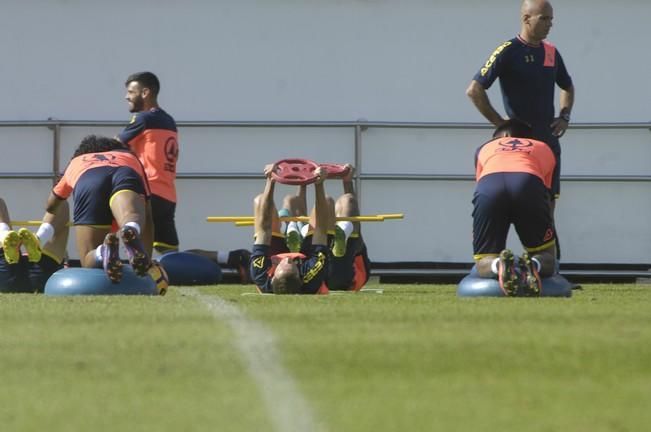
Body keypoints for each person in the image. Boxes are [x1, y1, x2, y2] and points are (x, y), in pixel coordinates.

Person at [466, 0, 574, 219]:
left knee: (548, 204)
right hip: (519, 147)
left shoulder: (551, 52)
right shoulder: (508, 50)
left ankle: (544, 251)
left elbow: (567, 86)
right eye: (544, 19)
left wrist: (564, 116)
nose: (549, 25)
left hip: (548, 142)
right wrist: (502, 125)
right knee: (514, 205)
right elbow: (474, 90)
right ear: (526, 18)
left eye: (551, 20)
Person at [46, 135, 154, 284]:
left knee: (87, 258)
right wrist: (145, 260)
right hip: (124, 172)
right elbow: (148, 214)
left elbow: (51, 205)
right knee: (132, 214)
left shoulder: (76, 161)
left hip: (89, 180)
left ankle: (102, 252)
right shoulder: (130, 157)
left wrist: (61, 185)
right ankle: (131, 228)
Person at [472, 119, 557, 296]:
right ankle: (533, 265)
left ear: (504, 136)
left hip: (489, 187)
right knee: (547, 256)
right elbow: (547, 196)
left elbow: (481, 185)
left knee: (483, 261)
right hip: (528, 183)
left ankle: (499, 266)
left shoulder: (483, 148)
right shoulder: (543, 147)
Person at [117, 71, 180, 254]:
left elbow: (115, 145)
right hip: (168, 194)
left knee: (139, 249)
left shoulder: (144, 119)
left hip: (148, 192)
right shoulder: (168, 120)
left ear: (145, 93)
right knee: (169, 251)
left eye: (131, 92)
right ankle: (226, 258)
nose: (126, 97)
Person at [249, 163, 330, 295]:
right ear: (300, 275)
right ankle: (299, 231)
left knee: (260, 201)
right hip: (306, 257)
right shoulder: (312, 275)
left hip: (274, 257)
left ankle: (292, 230)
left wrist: (271, 180)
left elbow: (265, 227)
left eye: (284, 263)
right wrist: (319, 184)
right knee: (327, 201)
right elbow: (320, 229)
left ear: (273, 275)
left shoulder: (260, 273)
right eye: (291, 263)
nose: (288, 258)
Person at [0, 198, 69, 293]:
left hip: (7, 273)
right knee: (61, 203)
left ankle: (4, 236)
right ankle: (39, 240)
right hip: (41, 272)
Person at [326, 165, 371, 292]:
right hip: (347, 275)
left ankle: (294, 229)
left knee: (328, 201)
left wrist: (306, 182)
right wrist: (347, 181)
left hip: (347, 277)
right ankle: (344, 232)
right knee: (347, 200)